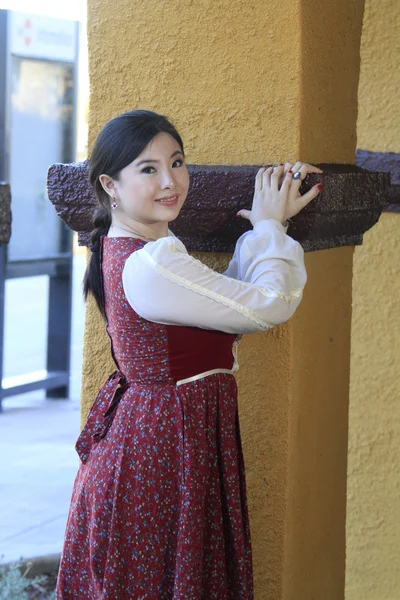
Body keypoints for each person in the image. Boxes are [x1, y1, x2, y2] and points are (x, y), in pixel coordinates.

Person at [56, 109, 323, 600]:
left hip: (161, 436)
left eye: (176, 162)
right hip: (162, 445)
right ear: (110, 185)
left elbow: (223, 303)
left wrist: (266, 229)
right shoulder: (151, 263)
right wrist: (269, 227)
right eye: (148, 168)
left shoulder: (146, 249)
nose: (170, 180)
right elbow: (269, 305)